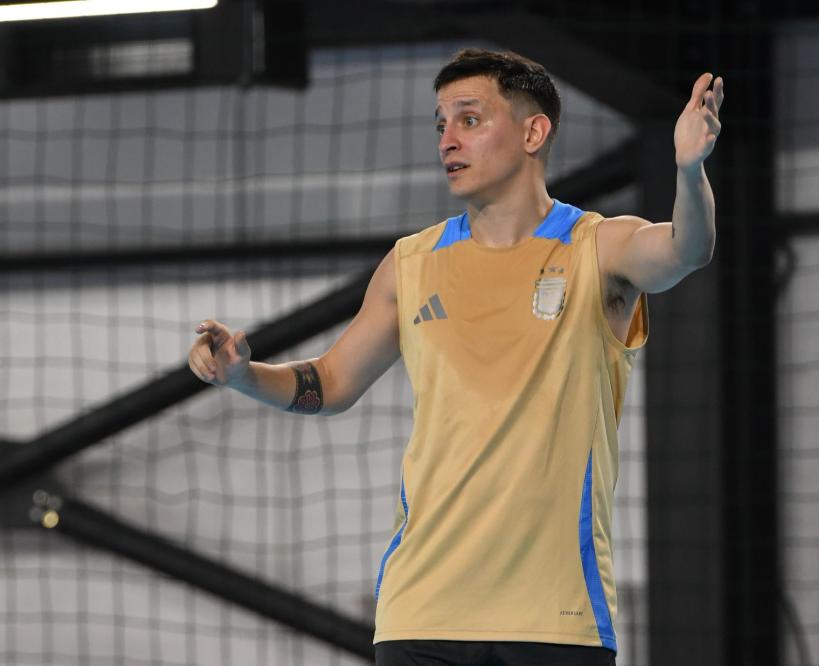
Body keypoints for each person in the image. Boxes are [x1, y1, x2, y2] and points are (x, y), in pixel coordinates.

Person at [188, 48, 722, 666]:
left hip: (555, 615)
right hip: (423, 609)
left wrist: (689, 170)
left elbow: (688, 248)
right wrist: (241, 374)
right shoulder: (411, 263)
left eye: (469, 119)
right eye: (440, 124)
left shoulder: (599, 247)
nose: (448, 139)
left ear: (533, 131)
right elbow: (330, 382)